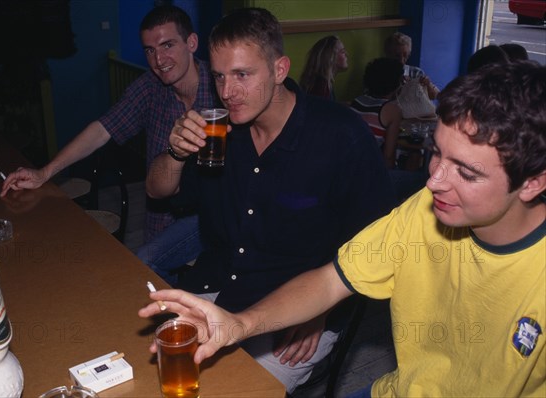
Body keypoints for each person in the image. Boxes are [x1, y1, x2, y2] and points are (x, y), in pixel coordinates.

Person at [140, 61, 546, 397]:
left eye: (467, 172)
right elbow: (332, 280)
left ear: (533, 181)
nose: (434, 180)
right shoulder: (423, 212)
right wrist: (240, 323)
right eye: (437, 153)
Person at [144, 7, 396, 394]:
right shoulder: (217, 133)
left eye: (243, 74)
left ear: (279, 70)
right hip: (215, 284)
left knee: (233, 390)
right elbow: (156, 191)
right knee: (147, 367)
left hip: (297, 309)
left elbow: (375, 245)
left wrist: (320, 313)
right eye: (219, 76)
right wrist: (176, 152)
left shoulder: (340, 136)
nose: (228, 92)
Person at [0, 5, 219, 284]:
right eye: (150, 50)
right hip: (162, 213)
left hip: (213, 213)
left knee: (156, 265)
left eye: (167, 45)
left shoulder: (220, 90)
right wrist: (45, 172)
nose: (158, 59)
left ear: (192, 43)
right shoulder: (151, 86)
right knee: (145, 274)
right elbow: (102, 129)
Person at [350, 57, 404, 169]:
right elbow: (388, 158)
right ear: (396, 83)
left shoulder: (357, 101)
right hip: (367, 172)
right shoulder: (392, 110)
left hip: (348, 167)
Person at [384, 32, 439, 99]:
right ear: (388, 55)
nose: (401, 60)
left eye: (405, 55)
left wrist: (428, 84)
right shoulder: (380, 72)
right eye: (397, 56)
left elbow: (433, 96)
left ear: (409, 55)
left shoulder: (416, 72)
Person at [299, 35, 348, 100]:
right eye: (342, 52)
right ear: (330, 58)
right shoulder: (322, 88)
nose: (347, 54)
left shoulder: (321, 83)